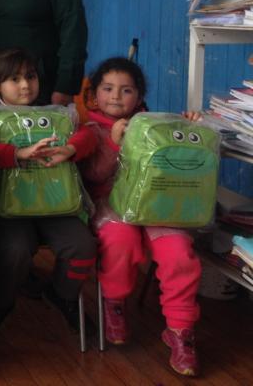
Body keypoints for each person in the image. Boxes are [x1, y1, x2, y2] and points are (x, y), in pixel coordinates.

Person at [77, 57, 202, 376]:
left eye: (126, 90)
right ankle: (114, 303)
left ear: (140, 95)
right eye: (107, 88)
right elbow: (91, 176)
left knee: (178, 252)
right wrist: (116, 145)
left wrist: (188, 129)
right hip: (112, 204)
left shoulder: (156, 126)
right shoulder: (90, 131)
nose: (116, 96)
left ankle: (180, 330)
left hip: (157, 206)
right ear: (94, 95)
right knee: (119, 239)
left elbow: (180, 162)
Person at [0, 48, 97, 334]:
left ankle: (63, 295)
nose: (25, 85)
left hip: (56, 205)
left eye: (30, 76)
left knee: (83, 245)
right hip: (9, 209)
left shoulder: (56, 116)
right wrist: (18, 153)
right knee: (15, 250)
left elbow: (89, 134)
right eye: (14, 79)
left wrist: (71, 148)